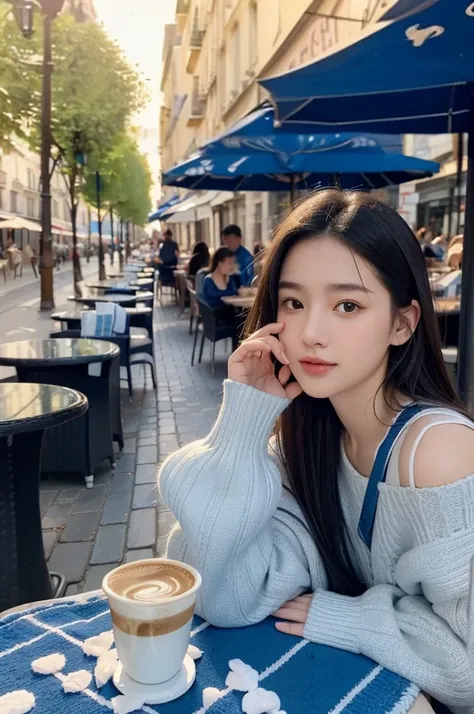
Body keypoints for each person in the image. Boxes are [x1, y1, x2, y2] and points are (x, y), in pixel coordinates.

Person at [160, 190, 474, 714]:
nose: (310, 333)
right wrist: (241, 423)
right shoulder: (308, 440)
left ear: (403, 323)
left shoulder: (438, 452)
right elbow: (225, 596)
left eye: (347, 305)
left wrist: (347, 617)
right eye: (294, 302)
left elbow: (466, 667)